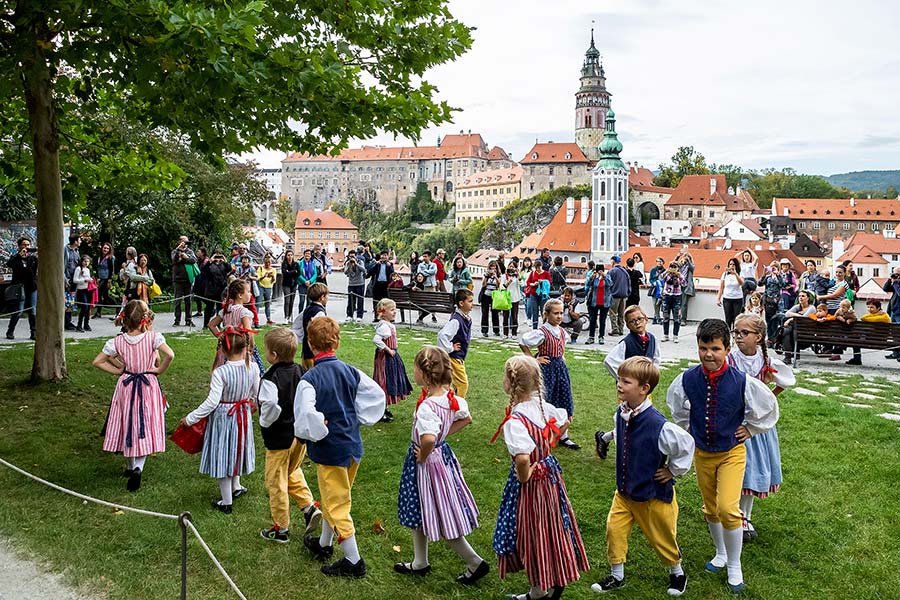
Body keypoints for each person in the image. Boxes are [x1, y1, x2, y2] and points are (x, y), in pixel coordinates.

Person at [666, 319, 779, 594]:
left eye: (715, 348)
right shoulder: (687, 378)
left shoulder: (742, 381)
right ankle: (720, 553)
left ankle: (734, 564)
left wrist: (751, 429)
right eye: (703, 347)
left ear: (727, 349)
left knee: (729, 508)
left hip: (731, 453)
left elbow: (769, 408)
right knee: (711, 508)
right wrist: (689, 430)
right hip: (703, 453)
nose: (709, 354)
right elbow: (677, 408)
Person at [590, 357, 693, 596]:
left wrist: (672, 470)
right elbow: (621, 433)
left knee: (662, 536)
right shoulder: (622, 412)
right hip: (625, 491)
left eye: (625, 381)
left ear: (644, 389)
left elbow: (686, 445)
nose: (619, 384)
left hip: (651, 495)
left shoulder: (659, 425)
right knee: (614, 530)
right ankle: (617, 575)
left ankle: (677, 572)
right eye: (619, 379)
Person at [294, 317, 386, 578]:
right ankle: (324, 544)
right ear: (338, 341)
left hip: (331, 450)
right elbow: (375, 396)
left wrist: (319, 429)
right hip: (352, 446)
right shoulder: (351, 371)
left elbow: (304, 419)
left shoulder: (309, 380)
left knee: (337, 505)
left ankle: (353, 561)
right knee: (336, 496)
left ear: (310, 344)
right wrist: (356, 416)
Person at [491, 355, 589, 600]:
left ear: (512, 383)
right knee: (552, 526)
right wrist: (547, 446)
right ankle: (548, 580)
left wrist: (524, 477)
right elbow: (565, 422)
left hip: (532, 484)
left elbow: (523, 458)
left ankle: (539, 590)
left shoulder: (516, 421)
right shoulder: (542, 407)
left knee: (533, 532)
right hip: (550, 477)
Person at [395, 346, 487, 583]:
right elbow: (466, 419)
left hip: (428, 466)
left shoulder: (428, 406)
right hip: (442, 459)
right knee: (420, 509)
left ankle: (475, 562)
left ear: (425, 374)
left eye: (415, 368)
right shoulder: (451, 399)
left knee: (441, 514)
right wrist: (442, 436)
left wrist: (423, 455)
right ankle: (419, 561)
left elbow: (428, 438)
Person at [93, 300, 174, 492]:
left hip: (126, 385)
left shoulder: (118, 341)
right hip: (148, 385)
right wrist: (158, 370)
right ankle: (138, 467)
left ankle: (130, 467)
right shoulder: (154, 338)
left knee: (127, 422)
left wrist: (118, 370)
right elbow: (170, 354)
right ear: (145, 319)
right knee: (144, 423)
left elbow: (97, 361)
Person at [728, 314, 795, 543]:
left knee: (752, 471)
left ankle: (744, 517)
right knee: (733, 472)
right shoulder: (730, 360)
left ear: (758, 337)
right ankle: (728, 513)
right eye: (736, 332)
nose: (738, 337)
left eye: (744, 333)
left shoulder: (766, 361)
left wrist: (768, 399)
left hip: (757, 426)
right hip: (735, 424)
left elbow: (785, 381)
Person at [256, 328, 323, 543]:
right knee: (292, 471)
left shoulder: (270, 378)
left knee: (276, 481)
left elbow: (270, 407)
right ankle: (308, 507)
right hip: (299, 437)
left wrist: (264, 422)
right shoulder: (301, 370)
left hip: (278, 439)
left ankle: (281, 528)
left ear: (273, 355)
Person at [183, 327, 258, 514]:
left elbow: (212, 402)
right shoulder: (253, 367)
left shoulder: (220, 373)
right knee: (237, 448)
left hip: (224, 417)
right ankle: (236, 486)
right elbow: (257, 393)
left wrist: (191, 418)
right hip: (243, 413)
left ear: (223, 350)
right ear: (244, 347)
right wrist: (253, 404)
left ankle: (226, 501)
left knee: (223, 453)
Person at [519, 298, 579, 450]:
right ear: (546, 314)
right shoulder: (542, 332)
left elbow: (562, 347)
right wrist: (533, 359)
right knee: (546, 399)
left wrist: (562, 359)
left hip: (560, 369)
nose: (559, 316)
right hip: (547, 370)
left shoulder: (561, 331)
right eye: (555, 313)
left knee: (564, 397)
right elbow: (523, 341)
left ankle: (563, 435)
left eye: (561, 313)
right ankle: (540, 432)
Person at [208, 279, 264, 375]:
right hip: (240, 347)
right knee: (250, 371)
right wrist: (251, 345)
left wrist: (221, 336)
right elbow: (248, 331)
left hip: (227, 347)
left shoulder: (226, 310)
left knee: (227, 370)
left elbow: (211, 325)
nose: (250, 294)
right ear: (240, 295)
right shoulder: (244, 312)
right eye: (248, 292)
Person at [373, 298, 413, 422]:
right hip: (386, 359)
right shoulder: (384, 327)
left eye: (395, 309)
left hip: (391, 358)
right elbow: (376, 340)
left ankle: (384, 407)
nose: (394, 312)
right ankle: (380, 409)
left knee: (389, 380)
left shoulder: (388, 325)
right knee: (384, 381)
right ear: (384, 312)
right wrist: (388, 350)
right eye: (392, 310)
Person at [602, 305, 661, 381]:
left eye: (639, 319)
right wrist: (624, 380)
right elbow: (609, 361)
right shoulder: (626, 343)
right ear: (628, 325)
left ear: (646, 319)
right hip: (629, 389)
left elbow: (656, 360)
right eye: (632, 321)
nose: (637, 323)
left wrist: (652, 376)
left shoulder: (653, 339)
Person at [437, 289, 475, 400]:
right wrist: (450, 348)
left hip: (459, 357)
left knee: (451, 384)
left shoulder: (465, 318)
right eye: (470, 301)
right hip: (454, 357)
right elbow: (442, 335)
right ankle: (458, 407)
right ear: (461, 303)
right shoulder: (456, 321)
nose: (472, 304)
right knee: (462, 384)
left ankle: (449, 403)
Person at [5, 237, 37, 340]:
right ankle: (10, 331)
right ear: (19, 246)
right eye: (24, 244)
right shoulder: (15, 258)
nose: (26, 247)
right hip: (19, 288)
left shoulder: (32, 259)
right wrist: (19, 255)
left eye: (28, 245)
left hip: (31, 287)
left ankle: (34, 332)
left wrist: (29, 258)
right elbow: (9, 264)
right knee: (19, 310)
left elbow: (34, 271)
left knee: (32, 310)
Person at [294, 282, 329, 373]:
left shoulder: (307, 309)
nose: (327, 298)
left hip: (306, 350)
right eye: (327, 296)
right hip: (315, 352)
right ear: (322, 297)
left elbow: (297, 326)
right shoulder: (319, 313)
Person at [848, 299, 891, 365]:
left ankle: (856, 359)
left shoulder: (884, 316)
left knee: (855, 338)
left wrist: (874, 315)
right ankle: (857, 359)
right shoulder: (876, 314)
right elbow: (863, 317)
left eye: (872, 307)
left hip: (879, 339)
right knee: (855, 338)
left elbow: (865, 318)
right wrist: (876, 314)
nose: (869, 309)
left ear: (878, 308)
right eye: (868, 307)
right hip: (871, 337)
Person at [779, 290, 817, 365]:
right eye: (799, 296)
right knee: (787, 334)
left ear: (808, 298)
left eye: (803, 296)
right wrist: (797, 315)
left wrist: (791, 318)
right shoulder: (798, 306)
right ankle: (788, 357)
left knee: (787, 330)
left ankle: (788, 356)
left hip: (806, 333)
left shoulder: (812, 308)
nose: (801, 298)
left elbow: (804, 318)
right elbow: (787, 313)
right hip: (795, 331)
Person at [171, 236, 198, 327]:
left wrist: (185, 258)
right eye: (183, 242)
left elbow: (194, 260)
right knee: (178, 300)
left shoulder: (190, 251)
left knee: (188, 301)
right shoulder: (175, 251)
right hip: (178, 279)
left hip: (188, 279)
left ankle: (188, 319)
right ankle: (177, 320)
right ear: (179, 242)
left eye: (187, 242)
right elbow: (174, 260)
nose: (185, 244)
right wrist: (179, 250)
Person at [200, 250, 230, 328]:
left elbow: (229, 269)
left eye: (219, 255)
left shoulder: (224, 264)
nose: (218, 258)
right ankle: (206, 324)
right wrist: (211, 260)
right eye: (216, 255)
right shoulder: (209, 264)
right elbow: (203, 270)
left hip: (221, 289)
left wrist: (224, 260)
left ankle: (218, 324)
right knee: (209, 307)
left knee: (220, 308)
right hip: (211, 288)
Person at [585, 263, 611, 345]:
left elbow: (610, 284)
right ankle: (591, 337)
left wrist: (604, 276)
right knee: (593, 319)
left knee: (602, 320)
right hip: (594, 301)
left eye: (601, 270)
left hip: (604, 302)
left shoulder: (607, 277)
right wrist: (591, 278)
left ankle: (601, 336)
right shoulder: (595, 277)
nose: (599, 272)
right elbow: (588, 284)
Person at [660, 262, 686, 343]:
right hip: (667, 296)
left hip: (676, 297)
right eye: (671, 267)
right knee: (665, 317)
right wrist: (667, 272)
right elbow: (660, 278)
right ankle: (666, 335)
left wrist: (679, 276)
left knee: (676, 318)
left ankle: (675, 335)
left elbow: (684, 284)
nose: (673, 269)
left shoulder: (679, 275)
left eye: (675, 267)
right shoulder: (667, 275)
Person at [758, 261, 784, 340]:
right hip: (768, 300)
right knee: (768, 320)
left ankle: (774, 338)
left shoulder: (780, 276)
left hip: (777, 300)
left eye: (775, 267)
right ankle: (769, 338)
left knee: (775, 319)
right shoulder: (767, 277)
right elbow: (759, 284)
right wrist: (763, 274)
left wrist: (777, 275)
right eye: (772, 267)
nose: (773, 269)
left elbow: (782, 285)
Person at [717, 257, 745, 329]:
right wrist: (718, 298)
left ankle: (735, 333)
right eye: (730, 264)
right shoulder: (725, 274)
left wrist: (735, 274)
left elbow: (741, 283)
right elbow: (721, 287)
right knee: (728, 318)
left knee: (736, 318)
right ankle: (728, 334)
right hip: (727, 298)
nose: (732, 266)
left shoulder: (740, 273)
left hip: (737, 298)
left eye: (733, 264)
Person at [524, 258, 552, 330]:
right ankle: (535, 328)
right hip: (533, 294)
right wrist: (533, 284)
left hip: (543, 295)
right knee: (535, 311)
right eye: (536, 268)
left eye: (539, 267)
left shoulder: (546, 273)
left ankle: (545, 328)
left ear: (541, 266)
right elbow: (528, 282)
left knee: (543, 311)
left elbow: (550, 283)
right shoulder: (533, 273)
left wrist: (542, 281)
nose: (538, 269)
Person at [235, 254, 261, 328]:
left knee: (252, 306)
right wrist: (242, 276)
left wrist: (250, 277)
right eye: (243, 261)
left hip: (249, 290)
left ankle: (256, 322)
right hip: (240, 290)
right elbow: (236, 278)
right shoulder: (239, 269)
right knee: (241, 306)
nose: (245, 262)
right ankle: (241, 322)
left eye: (246, 261)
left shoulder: (251, 269)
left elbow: (257, 278)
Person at [367, 250, 394, 319]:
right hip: (377, 285)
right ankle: (377, 317)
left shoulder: (390, 265)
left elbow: (393, 275)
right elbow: (370, 272)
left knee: (385, 303)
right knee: (376, 302)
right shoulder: (377, 264)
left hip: (385, 285)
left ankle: (385, 317)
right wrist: (376, 264)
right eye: (382, 255)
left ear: (388, 256)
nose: (384, 257)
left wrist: (390, 266)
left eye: (385, 255)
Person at [607, 256, 631, 336]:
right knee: (621, 313)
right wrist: (628, 293)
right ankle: (621, 329)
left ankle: (615, 329)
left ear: (613, 261)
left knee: (613, 313)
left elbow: (608, 283)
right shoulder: (625, 271)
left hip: (615, 295)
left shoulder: (611, 271)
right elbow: (629, 283)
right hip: (624, 295)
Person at [64, 232, 81, 331]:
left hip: (74, 280)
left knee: (71, 301)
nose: (80, 242)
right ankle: (66, 322)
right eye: (79, 240)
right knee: (67, 301)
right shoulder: (66, 250)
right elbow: (63, 265)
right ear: (75, 241)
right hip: (68, 279)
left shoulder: (77, 251)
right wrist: (65, 279)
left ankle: (68, 321)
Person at [479, 261, 501, 336]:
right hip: (486, 295)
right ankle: (484, 330)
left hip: (494, 295)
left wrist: (495, 277)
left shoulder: (498, 275)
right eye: (491, 266)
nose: (493, 268)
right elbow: (483, 285)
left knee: (495, 313)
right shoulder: (486, 274)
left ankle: (496, 330)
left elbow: (499, 285)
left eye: (494, 266)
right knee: (485, 313)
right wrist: (486, 276)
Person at [343, 248, 365, 323]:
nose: (351, 258)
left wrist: (356, 264)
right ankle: (350, 315)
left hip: (360, 283)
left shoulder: (360, 262)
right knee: (351, 300)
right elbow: (345, 272)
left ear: (356, 256)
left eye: (353, 256)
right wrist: (349, 266)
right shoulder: (347, 263)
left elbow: (364, 270)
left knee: (360, 300)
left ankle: (359, 316)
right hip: (351, 284)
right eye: (350, 257)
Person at [94, 242, 116, 319]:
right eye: (104, 248)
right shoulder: (100, 257)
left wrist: (109, 279)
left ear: (109, 250)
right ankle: (118, 308)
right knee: (105, 296)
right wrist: (97, 277)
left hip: (106, 278)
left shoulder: (110, 258)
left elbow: (111, 269)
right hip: (100, 278)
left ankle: (98, 312)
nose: (105, 249)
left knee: (100, 294)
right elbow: (98, 268)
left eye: (107, 248)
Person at [416, 251, 438, 323]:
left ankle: (433, 316)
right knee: (423, 302)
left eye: (425, 256)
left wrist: (425, 272)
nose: (424, 258)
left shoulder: (433, 264)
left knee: (432, 302)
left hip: (431, 285)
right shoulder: (420, 265)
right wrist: (428, 272)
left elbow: (434, 272)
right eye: (423, 256)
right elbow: (419, 272)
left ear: (429, 257)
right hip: (424, 285)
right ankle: (420, 316)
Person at [502, 262, 523, 339]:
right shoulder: (504, 276)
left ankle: (514, 333)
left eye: (513, 267)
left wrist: (518, 276)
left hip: (515, 298)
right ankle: (505, 333)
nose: (511, 268)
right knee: (505, 316)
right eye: (510, 266)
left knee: (514, 316)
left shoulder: (517, 277)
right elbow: (502, 287)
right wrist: (507, 282)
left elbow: (522, 284)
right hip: (506, 298)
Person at [73, 254, 93, 332]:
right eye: (85, 261)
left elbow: (88, 278)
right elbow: (75, 280)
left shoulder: (87, 270)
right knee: (84, 307)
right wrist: (84, 280)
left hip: (88, 289)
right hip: (81, 290)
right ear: (82, 261)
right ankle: (79, 325)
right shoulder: (78, 269)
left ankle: (86, 324)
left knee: (88, 308)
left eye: (88, 261)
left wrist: (90, 280)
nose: (86, 263)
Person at [884, 268, 900, 359]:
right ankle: (896, 353)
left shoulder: (897, 285)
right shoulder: (895, 283)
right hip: (893, 310)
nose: (896, 276)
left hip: (899, 312)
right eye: (895, 274)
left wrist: (896, 283)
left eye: (897, 274)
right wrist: (890, 279)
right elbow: (885, 288)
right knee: (894, 333)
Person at [281, 250, 301, 324]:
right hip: (286, 284)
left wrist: (290, 272)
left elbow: (298, 273)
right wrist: (293, 272)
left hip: (294, 284)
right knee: (287, 301)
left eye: (291, 255)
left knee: (292, 301)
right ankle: (286, 316)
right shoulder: (284, 264)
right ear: (286, 256)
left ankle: (290, 316)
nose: (290, 256)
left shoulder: (295, 264)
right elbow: (285, 273)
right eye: (288, 255)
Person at [257, 254, 277, 325]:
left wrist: (272, 277)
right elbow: (258, 278)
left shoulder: (273, 270)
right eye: (266, 263)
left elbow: (274, 281)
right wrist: (264, 276)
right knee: (258, 303)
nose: (267, 264)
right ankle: (256, 320)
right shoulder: (260, 268)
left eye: (269, 263)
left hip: (269, 287)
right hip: (261, 287)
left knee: (267, 303)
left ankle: (268, 319)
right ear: (264, 262)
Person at [297, 248, 318, 313]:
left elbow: (315, 274)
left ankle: (307, 314)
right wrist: (304, 281)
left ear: (311, 255)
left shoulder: (313, 264)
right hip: (302, 285)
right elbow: (298, 274)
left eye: (309, 254)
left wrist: (310, 281)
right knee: (302, 301)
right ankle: (300, 314)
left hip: (310, 285)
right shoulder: (299, 263)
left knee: (309, 301)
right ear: (303, 255)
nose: (307, 255)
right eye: (306, 253)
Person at [678, 252, 695, 326]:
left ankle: (683, 319)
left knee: (684, 304)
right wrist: (678, 257)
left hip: (686, 286)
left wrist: (688, 260)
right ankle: (678, 318)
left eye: (687, 257)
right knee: (678, 303)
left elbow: (692, 268)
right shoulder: (680, 265)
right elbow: (673, 265)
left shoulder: (691, 266)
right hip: (678, 285)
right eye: (684, 257)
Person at [192, 247, 208, 319]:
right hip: (198, 279)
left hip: (204, 280)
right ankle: (199, 311)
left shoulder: (206, 260)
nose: (197, 253)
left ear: (203, 252)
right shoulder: (198, 260)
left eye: (199, 251)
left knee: (203, 295)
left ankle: (210, 306)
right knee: (197, 295)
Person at [648, 257, 665, 324]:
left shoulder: (664, 270)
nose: (659, 263)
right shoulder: (653, 270)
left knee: (660, 304)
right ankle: (657, 317)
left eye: (660, 261)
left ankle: (656, 317)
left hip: (661, 289)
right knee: (655, 304)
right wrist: (653, 283)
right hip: (654, 289)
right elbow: (651, 279)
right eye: (657, 261)